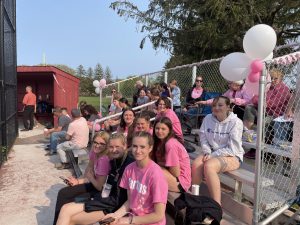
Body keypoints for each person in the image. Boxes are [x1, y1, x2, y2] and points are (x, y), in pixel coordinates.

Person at [56, 133, 134, 225]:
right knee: (65, 208)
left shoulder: (129, 165)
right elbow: (104, 185)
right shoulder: (114, 162)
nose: (114, 150)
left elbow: (120, 198)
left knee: (71, 218)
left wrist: (93, 202)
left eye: (117, 146)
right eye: (111, 147)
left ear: (125, 146)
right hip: (103, 199)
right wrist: (79, 181)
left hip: (110, 206)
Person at [101, 131, 168, 225]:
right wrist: (115, 215)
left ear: (150, 148)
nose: (137, 150)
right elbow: (130, 201)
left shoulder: (156, 174)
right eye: (135, 146)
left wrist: (127, 220)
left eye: (142, 147)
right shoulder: (129, 169)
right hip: (133, 218)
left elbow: (158, 215)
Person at [192, 96, 244, 205]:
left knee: (209, 166)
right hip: (211, 151)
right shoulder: (208, 118)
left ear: (228, 107)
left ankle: (216, 205)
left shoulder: (236, 122)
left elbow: (233, 149)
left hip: (232, 155)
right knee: (197, 164)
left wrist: (213, 155)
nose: (216, 108)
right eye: (214, 105)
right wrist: (207, 151)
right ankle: (193, 198)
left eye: (220, 105)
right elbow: (203, 136)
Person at [53, 131, 110, 224]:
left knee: (66, 195)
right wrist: (78, 181)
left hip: (99, 191)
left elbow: (99, 186)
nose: (97, 145)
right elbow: (88, 170)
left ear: (107, 145)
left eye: (101, 144)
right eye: (95, 142)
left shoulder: (104, 159)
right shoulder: (94, 152)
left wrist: (90, 177)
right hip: (92, 183)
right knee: (64, 192)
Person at [244, 69, 291, 159]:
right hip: (264, 111)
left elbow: (273, 104)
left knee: (263, 122)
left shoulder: (284, 89)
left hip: (276, 115)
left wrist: (262, 101)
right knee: (249, 107)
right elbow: (254, 99)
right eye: (271, 78)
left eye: (275, 78)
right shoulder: (267, 86)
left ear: (281, 79)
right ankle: (248, 132)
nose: (272, 80)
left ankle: (257, 149)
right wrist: (262, 101)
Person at [152, 117, 191, 193]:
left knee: (149, 167)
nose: (159, 131)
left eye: (163, 129)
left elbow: (176, 173)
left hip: (180, 183)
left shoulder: (170, 144)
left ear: (169, 130)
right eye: (157, 128)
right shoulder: (159, 141)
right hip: (170, 176)